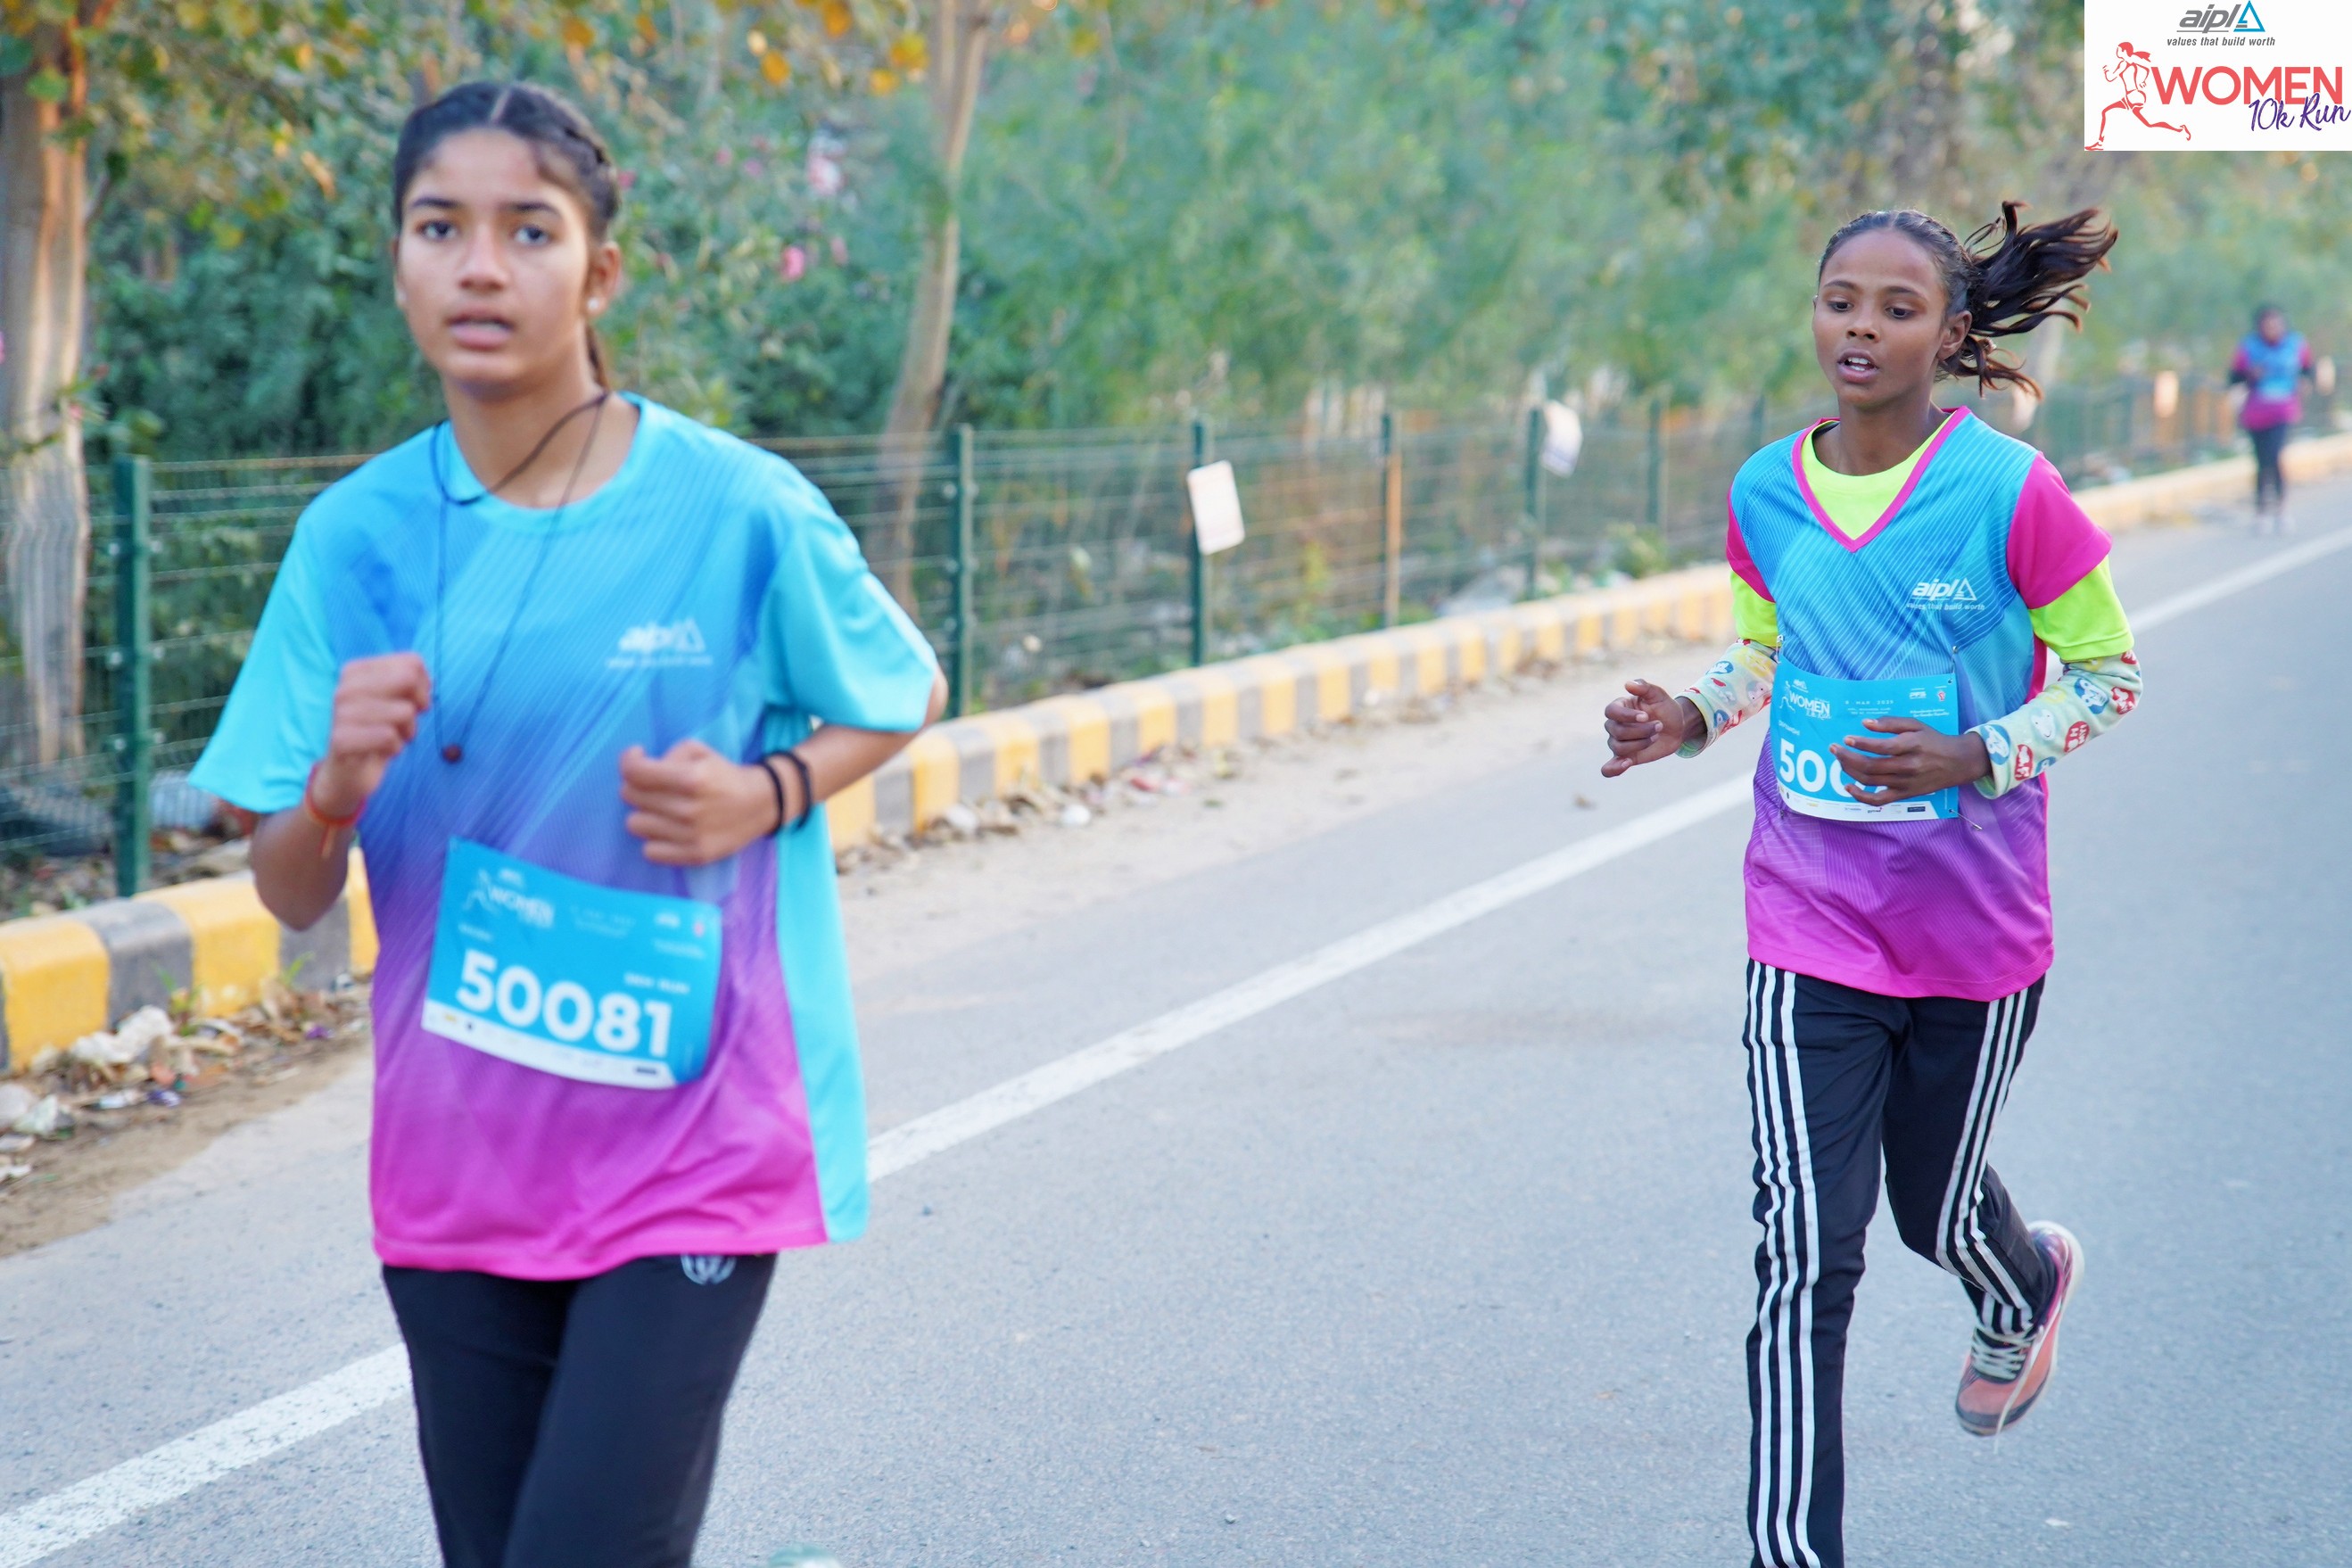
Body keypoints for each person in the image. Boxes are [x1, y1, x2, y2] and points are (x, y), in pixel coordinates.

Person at [189, 82, 944, 1568]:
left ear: (599, 273)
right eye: (439, 227)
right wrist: (333, 788)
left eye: (528, 231)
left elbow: (901, 685)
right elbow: (288, 888)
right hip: (457, 1156)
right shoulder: (353, 541)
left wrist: (766, 792)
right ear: (397, 264)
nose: (481, 266)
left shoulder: (735, 508)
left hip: (695, 1137)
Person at [1599, 203, 2141, 1568]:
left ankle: (2021, 1279)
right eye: (1841, 298)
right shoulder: (1764, 490)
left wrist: (1978, 751)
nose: (1860, 325)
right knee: (1803, 1252)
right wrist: (1688, 717)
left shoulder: (2010, 491)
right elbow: (1765, 651)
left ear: (1949, 336)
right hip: (1808, 922)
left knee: (1933, 1211)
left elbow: (2107, 676)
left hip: (1972, 935)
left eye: (1897, 307)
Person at [2231, 304, 2315, 532]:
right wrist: (2251, 375)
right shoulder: (2249, 347)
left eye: (2276, 324)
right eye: (2267, 325)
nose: (2272, 329)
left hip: (2283, 410)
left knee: (2274, 456)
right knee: (2261, 461)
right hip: (2256, 412)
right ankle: (2261, 510)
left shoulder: (2296, 344)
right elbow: (2234, 377)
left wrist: (2305, 384)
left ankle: (2281, 508)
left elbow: (2308, 370)